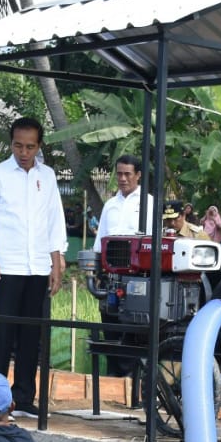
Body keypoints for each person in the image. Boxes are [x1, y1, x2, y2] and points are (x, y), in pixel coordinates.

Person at [0, 117, 68, 416]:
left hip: (39, 266)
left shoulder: (49, 176)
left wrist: (57, 262)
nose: (23, 152)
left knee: (33, 336)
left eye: (30, 146)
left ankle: (24, 399)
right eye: (18, 145)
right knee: (2, 334)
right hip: (7, 265)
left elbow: (55, 220)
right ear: (11, 143)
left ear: (39, 146)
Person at [92, 155, 153, 376]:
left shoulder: (149, 203)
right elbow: (100, 241)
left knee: (133, 330)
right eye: (119, 174)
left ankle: (132, 381)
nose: (123, 178)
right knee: (110, 326)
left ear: (138, 175)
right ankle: (113, 381)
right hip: (110, 276)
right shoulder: (110, 205)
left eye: (128, 174)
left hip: (137, 277)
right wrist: (96, 271)